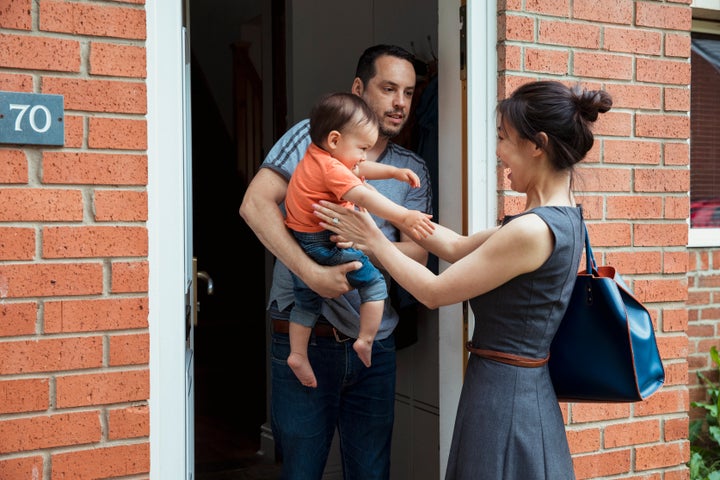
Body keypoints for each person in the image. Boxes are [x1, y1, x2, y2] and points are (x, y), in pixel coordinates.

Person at [314, 80, 613, 480]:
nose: (497, 151)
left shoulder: (534, 230)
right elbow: (455, 246)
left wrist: (373, 239)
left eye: (503, 138)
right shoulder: (560, 218)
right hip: (515, 390)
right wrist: (388, 216)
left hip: (506, 400)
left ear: (537, 145)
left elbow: (434, 292)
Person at [239, 44, 433, 479]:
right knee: (301, 472)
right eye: (388, 89)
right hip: (304, 335)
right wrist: (313, 272)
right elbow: (255, 206)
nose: (400, 102)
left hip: (374, 348)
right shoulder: (311, 138)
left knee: (370, 473)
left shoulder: (411, 166)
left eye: (408, 92)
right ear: (359, 89)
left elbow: (418, 252)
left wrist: (359, 243)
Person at [285, 92, 433, 387]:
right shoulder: (331, 170)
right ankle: (365, 340)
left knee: (305, 301)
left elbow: (359, 169)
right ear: (336, 140)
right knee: (375, 284)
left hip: (303, 240)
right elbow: (364, 193)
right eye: (362, 147)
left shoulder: (318, 156)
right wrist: (404, 217)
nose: (365, 156)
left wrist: (393, 171)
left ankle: (297, 354)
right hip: (324, 243)